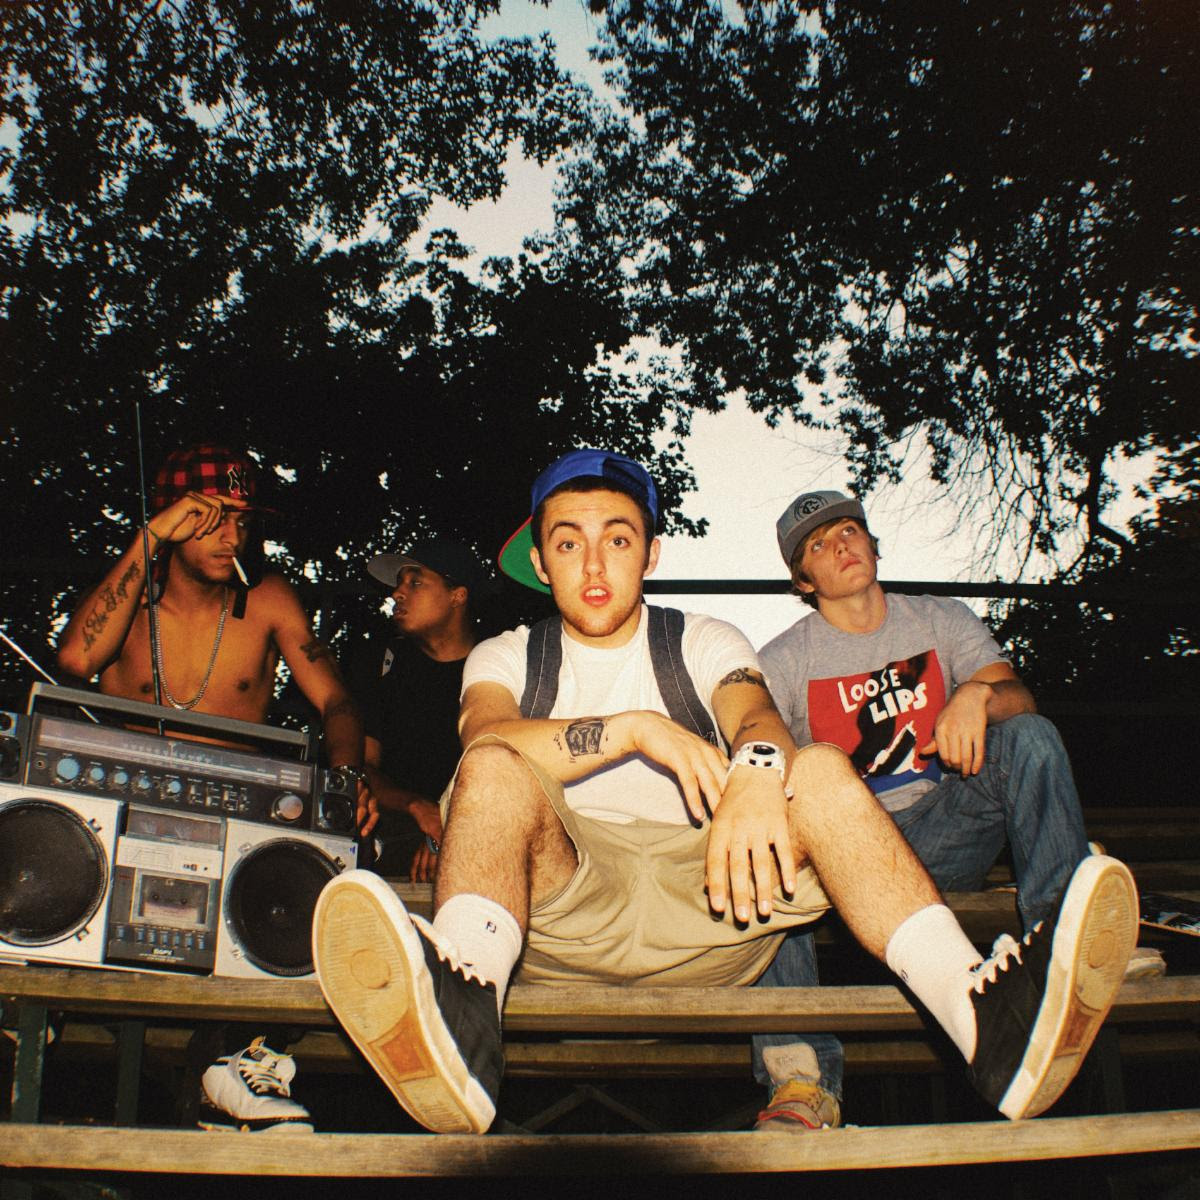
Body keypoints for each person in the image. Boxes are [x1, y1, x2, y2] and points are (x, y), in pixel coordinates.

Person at [309, 449, 1137, 1136]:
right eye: (568, 543)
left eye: (618, 539)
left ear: (651, 554)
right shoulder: (507, 654)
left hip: (713, 908)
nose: (594, 565)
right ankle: (462, 1012)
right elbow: (487, 737)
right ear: (541, 560)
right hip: (567, 909)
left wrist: (760, 768)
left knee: (819, 767)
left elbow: (758, 717)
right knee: (491, 767)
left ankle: (983, 1021)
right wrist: (634, 730)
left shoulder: (704, 638)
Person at [751, 489, 1105, 1128]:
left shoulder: (939, 618)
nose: (841, 546)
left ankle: (1060, 939)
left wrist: (977, 695)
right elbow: (758, 752)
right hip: (848, 856)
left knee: (1029, 736)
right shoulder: (784, 659)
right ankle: (800, 1080)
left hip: (944, 827)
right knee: (767, 844)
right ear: (804, 581)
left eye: (849, 530)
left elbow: (1020, 700)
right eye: (819, 546)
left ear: (872, 542)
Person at [56, 443, 373, 1133]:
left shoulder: (268, 600)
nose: (232, 536)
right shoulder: (131, 600)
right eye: (212, 518)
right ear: (173, 519)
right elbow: (77, 658)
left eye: (243, 521)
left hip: (241, 819)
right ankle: (35, 1006)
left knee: (308, 872)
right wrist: (149, 538)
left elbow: (337, 702)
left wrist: (345, 784)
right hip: (125, 814)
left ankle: (237, 1060)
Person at [349, 539, 488, 881]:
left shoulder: (498, 668)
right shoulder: (382, 663)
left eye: (415, 582)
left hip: (479, 833)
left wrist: (451, 825)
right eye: (399, 584)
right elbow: (362, 767)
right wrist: (418, 807)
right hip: (392, 837)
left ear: (457, 595)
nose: (398, 593)